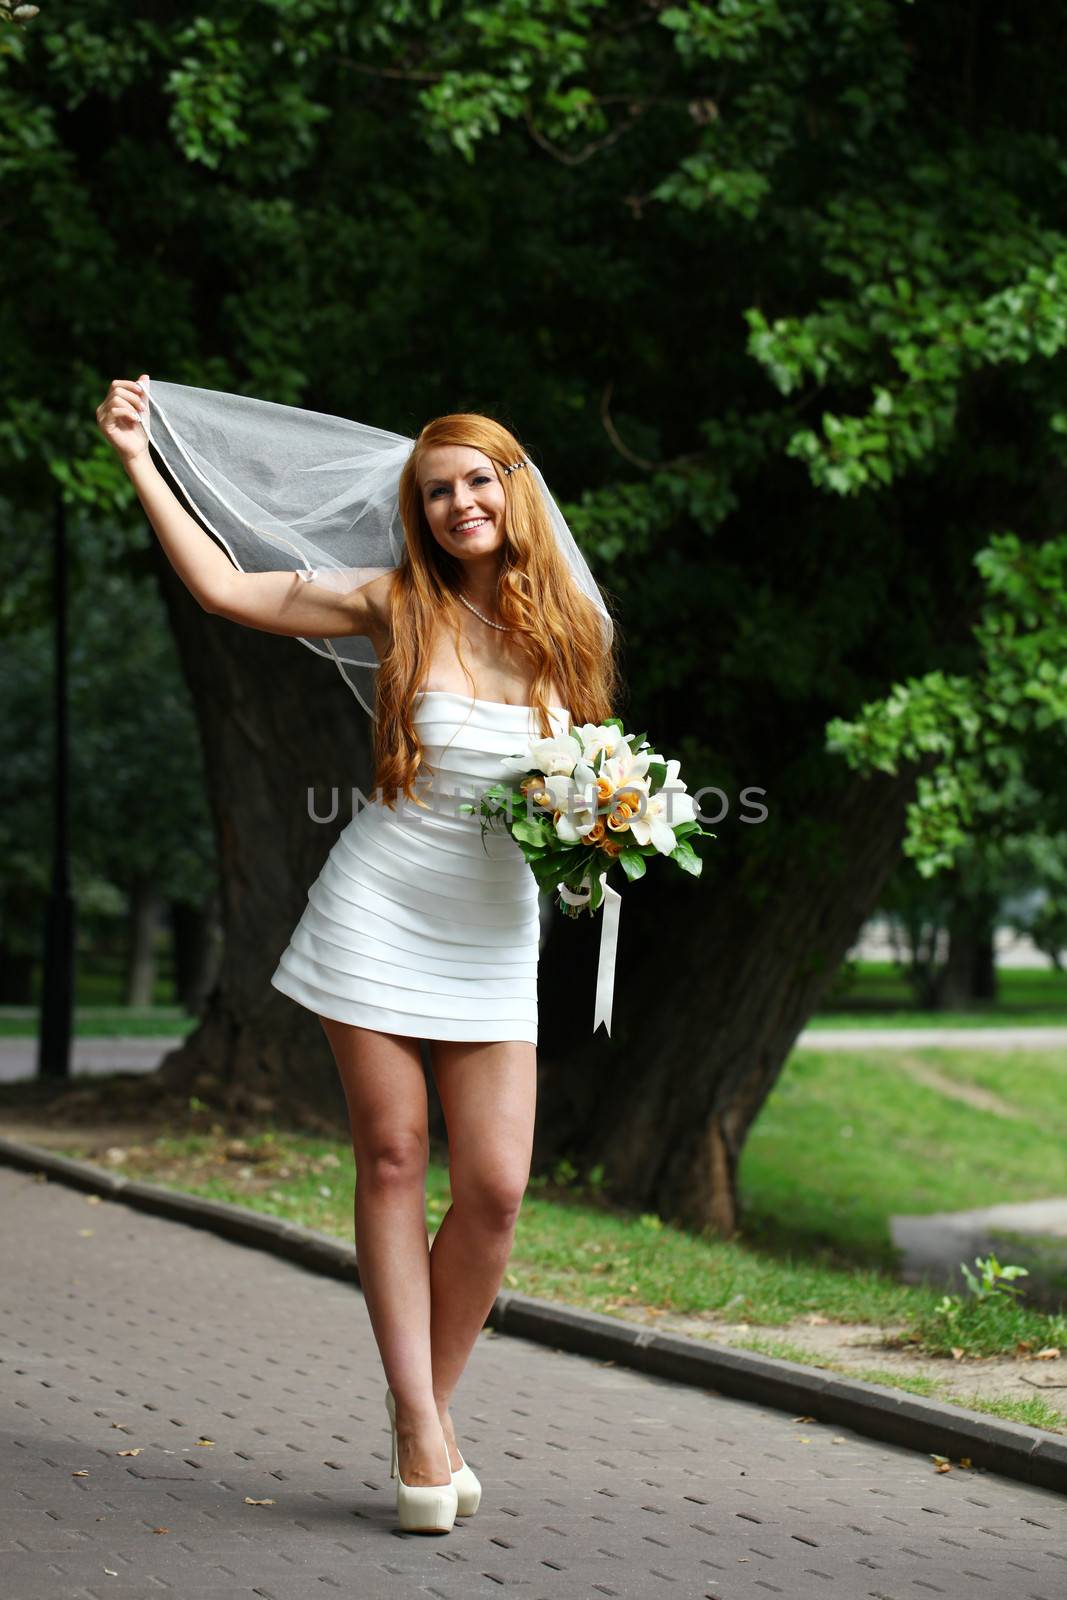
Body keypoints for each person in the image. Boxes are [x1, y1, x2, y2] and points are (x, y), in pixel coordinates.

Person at [96, 374, 620, 1535]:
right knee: (391, 1156)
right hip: (379, 905)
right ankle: (423, 1429)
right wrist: (142, 460)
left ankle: (421, 1405)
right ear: (418, 510)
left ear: (511, 489)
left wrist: (611, 819)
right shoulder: (395, 603)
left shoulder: (573, 634)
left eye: (475, 480)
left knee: (491, 1188)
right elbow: (229, 589)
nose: (456, 503)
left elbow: (587, 781)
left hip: (491, 930)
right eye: (435, 491)